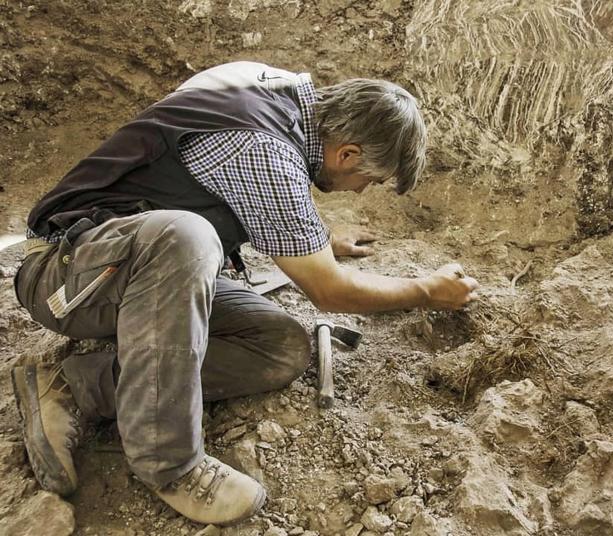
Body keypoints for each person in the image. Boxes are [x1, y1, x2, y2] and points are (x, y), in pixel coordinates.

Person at [11, 61, 478, 525]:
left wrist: (312, 236)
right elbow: (328, 289)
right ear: (348, 154)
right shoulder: (265, 151)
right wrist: (423, 291)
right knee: (186, 234)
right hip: (62, 274)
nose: (359, 192)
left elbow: (201, 178)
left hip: (132, 266)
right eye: (369, 181)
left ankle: (73, 388)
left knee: (280, 347)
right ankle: (169, 463)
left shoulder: (271, 88)